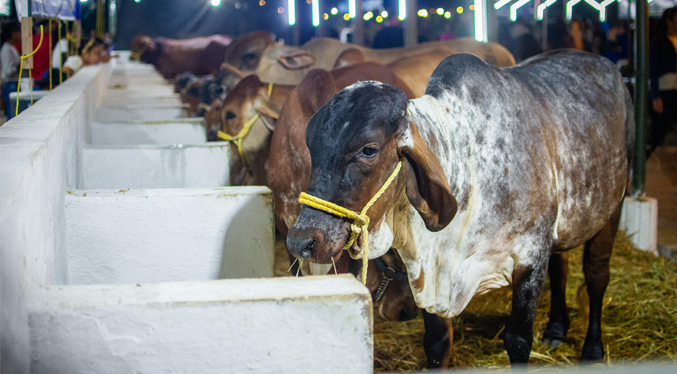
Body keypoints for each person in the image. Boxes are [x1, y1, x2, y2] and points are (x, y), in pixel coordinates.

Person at [648, 6, 677, 157]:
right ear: (669, 21)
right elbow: (652, 71)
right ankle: (639, 163)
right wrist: (655, 96)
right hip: (665, 91)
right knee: (657, 133)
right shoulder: (659, 42)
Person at [1, 21, 22, 120]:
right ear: (14, 33)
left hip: (14, 84)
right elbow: (7, 71)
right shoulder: (6, 49)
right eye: (19, 32)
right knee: (12, 115)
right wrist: (19, 65)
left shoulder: (11, 47)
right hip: (10, 85)